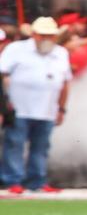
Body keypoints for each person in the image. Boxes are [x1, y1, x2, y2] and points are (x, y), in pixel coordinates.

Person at [0, 17, 73, 194]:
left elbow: (64, 83)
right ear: (34, 34)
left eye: (50, 35)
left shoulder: (61, 53)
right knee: (15, 144)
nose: (46, 39)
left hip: (47, 109)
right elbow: (1, 74)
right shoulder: (16, 49)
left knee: (41, 147)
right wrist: (3, 105)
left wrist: (61, 108)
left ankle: (37, 181)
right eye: (43, 35)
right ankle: (12, 180)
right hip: (18, 108)